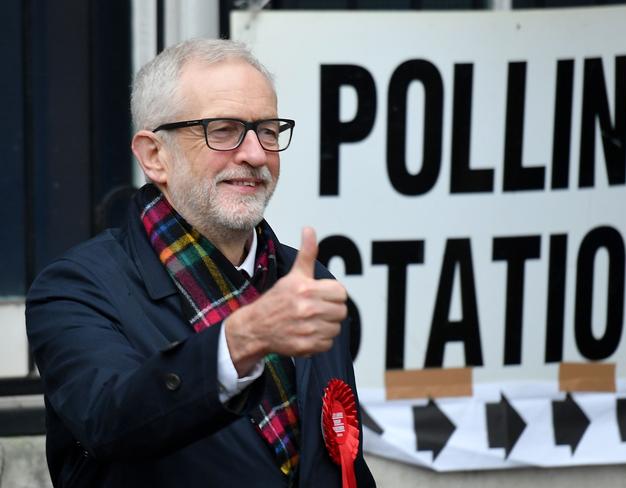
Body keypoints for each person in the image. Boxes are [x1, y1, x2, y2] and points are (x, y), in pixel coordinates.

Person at [26, 38, 375, 487]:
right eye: (224, 130)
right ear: (155, 156)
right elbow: (109, 421)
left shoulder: (306, 284)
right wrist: (241, 341)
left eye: (267, 130)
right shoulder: (75, 289)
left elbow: (338, 458)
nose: (254, 154)